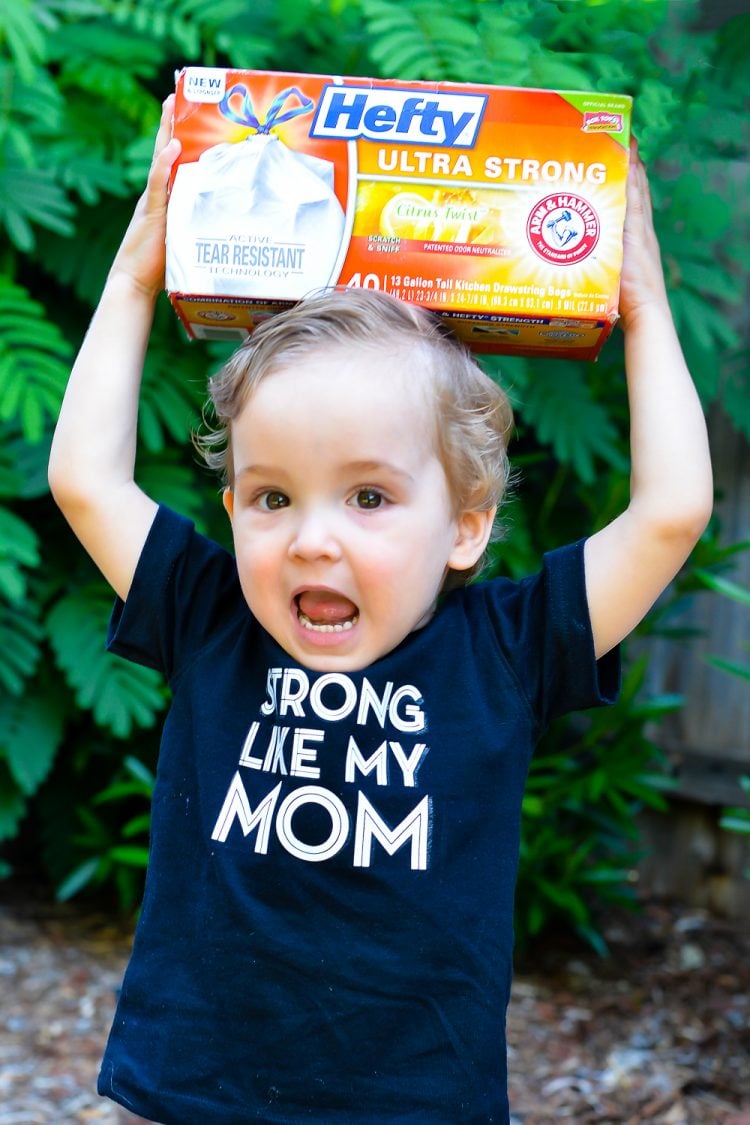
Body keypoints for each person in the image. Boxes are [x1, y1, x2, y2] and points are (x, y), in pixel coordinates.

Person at [48, 93, 713, 1125]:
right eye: (273, 497)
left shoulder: (507, 651)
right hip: (192, 1097)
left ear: (465, 528)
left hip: (414, 1105)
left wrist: (648, 310)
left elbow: (671, 511)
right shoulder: (212, 615)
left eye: (369, 497)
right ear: (232, 513)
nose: (313, 537)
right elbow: (86, 477)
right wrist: (138, 274)